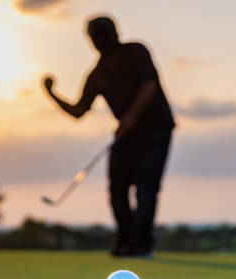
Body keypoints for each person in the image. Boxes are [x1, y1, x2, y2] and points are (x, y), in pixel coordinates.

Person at [43, 16, 176, 257]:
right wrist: (51, 93)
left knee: (146, 188)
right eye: (95, 35)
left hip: (156, 129)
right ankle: (125, 241)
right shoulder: (97, 74)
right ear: (90, 40)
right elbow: (79, 111)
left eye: (104, 32)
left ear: (116, 31)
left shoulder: (137, 52)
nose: (100, 38)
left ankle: (141, 244)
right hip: (125, 135)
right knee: (117, 187)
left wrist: (131, 117)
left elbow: (149, 87)